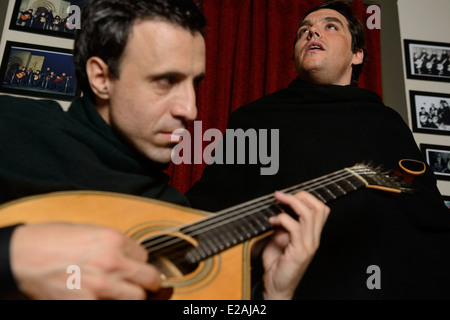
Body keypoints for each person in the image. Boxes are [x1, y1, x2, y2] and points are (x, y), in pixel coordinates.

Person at [0, 0, 329, 300]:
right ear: (101, 77)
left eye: (194, 83)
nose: (191, 109)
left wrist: (275, 294)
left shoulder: (173, 213)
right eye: (165, 81)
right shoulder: (14, 128)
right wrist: (13, 255)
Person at [186, 0, 450, 299]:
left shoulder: (385, 123)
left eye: (330, 26)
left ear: (357, 54)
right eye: (304, 31)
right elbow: (208, 208)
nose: (313, 32)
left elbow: (425, 221)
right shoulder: (253, 118)